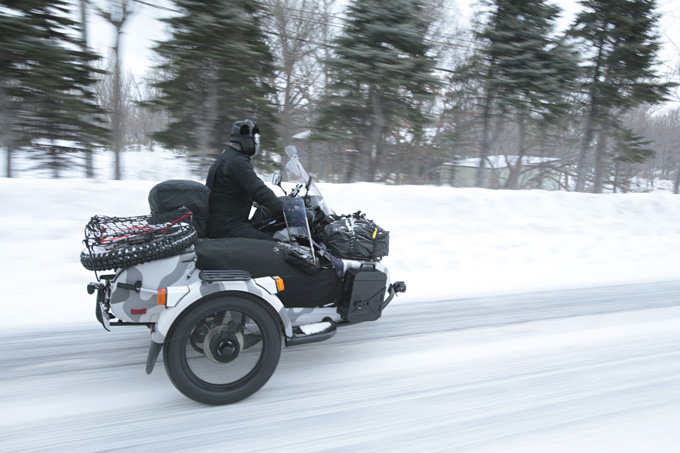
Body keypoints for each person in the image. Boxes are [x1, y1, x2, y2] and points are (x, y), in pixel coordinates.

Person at [206, 119, 283, 240]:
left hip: (221, 222)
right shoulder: (237, 162)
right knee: (274, 247)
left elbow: (233, 189)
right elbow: (258, 190)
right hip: (228, 227)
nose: (257, 143)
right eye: (256, 139)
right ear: (247, 140)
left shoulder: (228, 155)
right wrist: (286, 210)